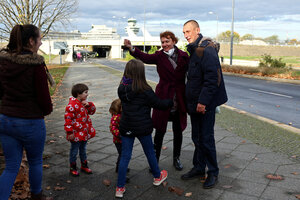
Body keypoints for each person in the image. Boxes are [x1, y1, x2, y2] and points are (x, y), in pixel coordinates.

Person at [0, 24, 53, 200]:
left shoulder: (3, 62)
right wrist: (47, 110)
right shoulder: (36, 65)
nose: (41, 42)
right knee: (36, 161)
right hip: (31, 122)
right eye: (39, 38)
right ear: (31, 41)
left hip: (6, 120)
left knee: (11, 166)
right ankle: (37, 196)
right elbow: (44, 100)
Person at [124, 31, 189, 171]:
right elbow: (145, 57)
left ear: (174, 41)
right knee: (159, 130)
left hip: (179, 96)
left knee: (178, 131)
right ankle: (155, 160)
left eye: (167, 41)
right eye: (163, 42)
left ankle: (176, 158)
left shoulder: (184, 56)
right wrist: (131, 48)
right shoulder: (159, 56)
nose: (165, 44)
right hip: (163, 95)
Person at [115, 59, 173, 198]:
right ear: (141, 72)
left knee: (125, 156)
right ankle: (157, 177)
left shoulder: (121, 88)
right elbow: (159, 104)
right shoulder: (145, 90)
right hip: (143, 127)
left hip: (126, 126)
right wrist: (170, 101)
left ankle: (119, 188)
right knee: (149, 153)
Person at [181, 20, 228, 189]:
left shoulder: (206, 50)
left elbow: (212, 80)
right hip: (194, 103)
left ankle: (213, 172)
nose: (186, 35)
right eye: (184, 32)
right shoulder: (195, 49)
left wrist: (203, 102)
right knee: (197, 137)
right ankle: (199, 167)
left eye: (188, 31)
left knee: (206, 139)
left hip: (203, 104)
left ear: (197, 30)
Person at [64, 83, 96, 177]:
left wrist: (89, 105)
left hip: (84, 132)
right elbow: (68, 120)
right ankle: (73, 167)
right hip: (75, 133)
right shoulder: (71, 106)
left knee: (83, 149)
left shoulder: (84, 103)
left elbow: (92, 111)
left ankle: (84, 165)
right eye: (85, 92)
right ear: (78, 94)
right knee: (74, 150)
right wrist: (69, 132)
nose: (87, 94)